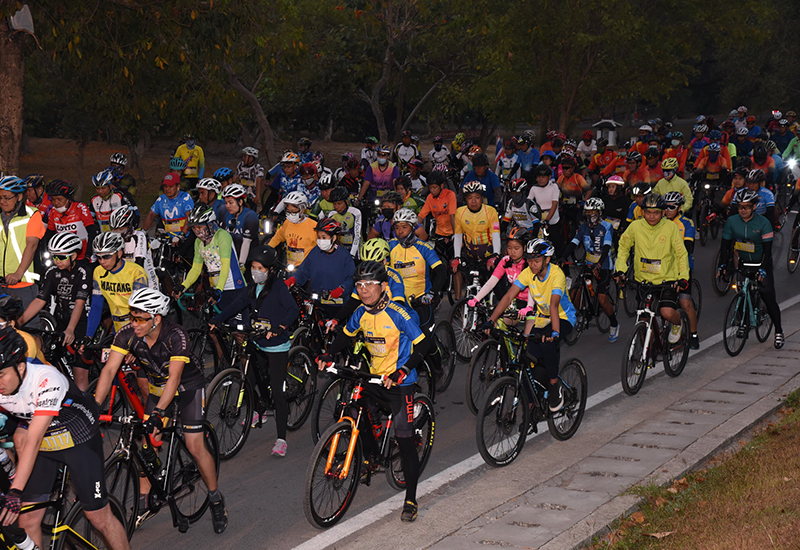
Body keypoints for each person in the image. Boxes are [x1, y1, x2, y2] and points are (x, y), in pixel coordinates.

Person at [92, 288, 228, 533]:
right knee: (146, 445)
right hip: (157, 389)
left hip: (188, 388)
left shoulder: (176, 335)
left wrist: (159, 413)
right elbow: (110, 370)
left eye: (140, 319)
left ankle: (215, 498)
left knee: (195, 446)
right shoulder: (127, 334)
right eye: (132, 317)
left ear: (156, 318)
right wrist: (94, 405)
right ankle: (145, 501)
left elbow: (174, 378)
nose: (134, 324)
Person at [317, 260, 430, 523]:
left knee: (404, 439)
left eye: (369, 284)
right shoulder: (360, 313)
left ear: (384, 286)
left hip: (399, 383)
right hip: (374, 377)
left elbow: (424, 345)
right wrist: (328, 353)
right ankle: (369, 456)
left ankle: (411, 499)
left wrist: (403, 371)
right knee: (355, 409)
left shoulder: (398, 314)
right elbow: (346, 335)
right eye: (359, 285)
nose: (364, 290)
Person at [0, 327, 131, 550]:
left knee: (98, 516)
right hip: (45, 443)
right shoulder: (7, 383)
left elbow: (33, 440)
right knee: (28, 520)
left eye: (1, 375)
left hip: (78, 439)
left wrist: (15, 491)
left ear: (21, 367)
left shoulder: (46, 380)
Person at [212, 245, 299, 448]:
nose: (255, 271)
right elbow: (237, 304)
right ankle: (259, 411)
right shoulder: (252, 287)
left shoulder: (278, 287)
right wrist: (218, 319)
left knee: (277, 392)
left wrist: (280, 327)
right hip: (258, 341)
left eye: (260, 268)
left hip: (276, 346)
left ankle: (281, 439)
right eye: (253, 267)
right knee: (249, 380)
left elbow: (293, 309)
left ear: (270, 270)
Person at [486, 238, 576, 411]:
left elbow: (554, 305)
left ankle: (554, 385)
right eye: (529, 260)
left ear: (547, 260)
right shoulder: (528, 273)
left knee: (547, 344)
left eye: (536, 261)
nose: (532, 264)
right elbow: (508, 296)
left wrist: (555, 333)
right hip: (542, 318)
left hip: (562, 318)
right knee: (526, 358)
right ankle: (531, 405)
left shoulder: (557, 274)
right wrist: (491, 320)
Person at [615, 193, 690, 346]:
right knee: (644, 319)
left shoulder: (671, 227)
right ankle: (647, 352)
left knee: (666, 312)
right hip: (643, 280)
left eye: (656, 212)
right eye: (648, 212)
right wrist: (621, 270)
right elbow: (623, 247)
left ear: (663, 213)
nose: (651, 216)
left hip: (666, 280)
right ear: (642, 212)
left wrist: (683, 277)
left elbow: (681, 253)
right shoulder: (635, 226)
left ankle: (678, 323)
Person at [18, 233, 90, 387]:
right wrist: (19, 322)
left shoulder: (83, 271)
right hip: (61, 321)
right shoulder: (52, 272)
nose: (57, 260)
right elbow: (39, 300)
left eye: (61, 257)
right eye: (54, 256)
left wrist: (71, 329)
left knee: (79, 374)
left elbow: (80, 303)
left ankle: (86, 398)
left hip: (81, 323)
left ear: (74, 256)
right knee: (54, 365)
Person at [718, 189, 783, 348]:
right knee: (741, 292)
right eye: (740, 207)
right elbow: (725, 246)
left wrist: (763, 269)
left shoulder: (763, 223)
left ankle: (779, 331)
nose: (743, 210)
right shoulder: (732, 221)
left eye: (747, 207)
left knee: (767, 296)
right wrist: (723, 265)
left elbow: (767, 250)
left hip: (761, 263)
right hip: (743, 262)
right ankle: (744, 323)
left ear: (754, 207)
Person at [560, 198, 619, 342]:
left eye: (593, 212)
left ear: (600, 213)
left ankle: (614, 323)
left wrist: (599, 264)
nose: (590, 214)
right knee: (576, 291)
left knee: (602, 299)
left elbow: (606, 247)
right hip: (588, 263)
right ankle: (584, 311)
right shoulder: (583, 227)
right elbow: (574, 242)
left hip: (603, 264)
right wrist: (563, 257)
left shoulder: (607, 226)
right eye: (587, 212)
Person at [178, 204, 247, 313]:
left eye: (199, 227)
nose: (196, 231)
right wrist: (183, 286)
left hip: (233, 286)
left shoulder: (222, 236)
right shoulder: (198, 242)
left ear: (210, 224)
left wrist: (219, 289)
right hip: (215, 287)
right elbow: (196, 269)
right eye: (194, 228)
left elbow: (226, 265)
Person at [284, 218, 355, 318]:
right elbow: (303, 271)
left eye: (324, 237)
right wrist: (293, 279)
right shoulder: (315, 252)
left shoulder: (344, 256)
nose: (321, 240)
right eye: (318, 237)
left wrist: (341, 289)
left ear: (334, 238)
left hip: (338, 305)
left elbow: (351, 278)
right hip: (318, 303)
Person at [86, 232, 150, 339]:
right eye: (98, 257)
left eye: (106, 256)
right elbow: (96, 306)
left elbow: (139, 309)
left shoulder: (136, 272)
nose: (102, 261)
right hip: (117, 326)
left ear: (119, 254)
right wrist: (89, 336)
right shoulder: (98, 271)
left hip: (137, 325)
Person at [388, 208, 445, 329]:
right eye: (397, 227)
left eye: (404, 227)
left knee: (426, 336)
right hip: (399, 300)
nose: (400, 231)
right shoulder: (391, 245)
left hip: (421, 300)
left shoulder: (424, 248)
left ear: (412, 227)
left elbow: (441, 272)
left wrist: (431, 294)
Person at [467, 226, 533, 327]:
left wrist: (529, 306)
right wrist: (477, 298)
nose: (512, 252)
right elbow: (492, 281)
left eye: (516, 248)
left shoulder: (530, 264)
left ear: (524, 248)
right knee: (497, 323)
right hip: (513, 301)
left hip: (530, 302)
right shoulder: (505, 261)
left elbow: (534, 288)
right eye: (509, 248)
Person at [0, 176, 47, 314]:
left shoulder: (32, 215)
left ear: (19, 197)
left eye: (6, 198)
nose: (2, 201)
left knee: (26, 324)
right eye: (0, 197)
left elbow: (31, 246)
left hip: (22, 282)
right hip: (1, 281)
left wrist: (18, 273)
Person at [452, 182, 502, 300]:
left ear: (482, 198)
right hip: (471, 256)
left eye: (477, 197)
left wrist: (495, 255)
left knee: (498, 289)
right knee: (472, 290)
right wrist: (457, 257)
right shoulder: (460, 212)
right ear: (465, 199)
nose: (473, 201)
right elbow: (458, 236)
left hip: (489, 255)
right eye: (470, 198)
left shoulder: (490, 211)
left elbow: (496, 234)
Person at [663, 192, 700, 349]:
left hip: (682, 267)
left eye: (672, 207)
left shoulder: (687, 223)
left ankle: (693, 335)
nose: (668, 210)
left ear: (679, 208)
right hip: (664, 268)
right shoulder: (661, 221)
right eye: (666, 207)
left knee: (685, 303)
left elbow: (687, 247)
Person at [46, 179, 96, 262]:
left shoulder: (81, 208)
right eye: (53, 200)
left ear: (68, 198)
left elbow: (92, 232)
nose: (56, 203)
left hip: (82, 256)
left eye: (59, 199)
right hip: (64, 257)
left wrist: (87, 256)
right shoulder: (53, 212)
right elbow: (49, 234)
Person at [108, 206, 158, 289]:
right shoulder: (112, 238)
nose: (118, 233)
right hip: (123, 280)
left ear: (129, 226)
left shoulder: (139, 236)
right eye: (115, 230)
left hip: (146, 280)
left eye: (121, 229)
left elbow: (139, 264)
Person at [267, 191, 318, 267]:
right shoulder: (287, 223)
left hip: (307, 268)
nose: (291, 215)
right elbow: (278, 237)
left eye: (293, 212)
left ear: (302, 210)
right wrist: (267, 248)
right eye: (288, 211)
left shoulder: (313, 226)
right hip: (289, 267)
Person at [142, 173, 194, 240]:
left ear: (178, 186)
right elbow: (151, 215)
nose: (167, 189)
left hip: (185, 237)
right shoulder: (161, 199)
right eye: (165, 186)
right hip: (168, 237)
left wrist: (182, 235)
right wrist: (143, 231)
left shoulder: (185, 197)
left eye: (170, 186)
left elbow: (189, 217)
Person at [219, 184, 259, 268]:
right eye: (226, 203)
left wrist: (241, 264)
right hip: (229, 257)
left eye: (231, 202)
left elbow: (246, 242)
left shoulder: (250, 216)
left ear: (240, 202)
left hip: (247, 258)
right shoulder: (224, 213)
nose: (227, 206)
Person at [527, 165, 564, 251]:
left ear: (549, 177)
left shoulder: (554, 187)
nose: (540, 179)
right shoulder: (534, 188)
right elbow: (528, 203)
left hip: (552, 218)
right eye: (539, 177)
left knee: (556, 243)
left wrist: (547, 220)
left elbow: (554, 204)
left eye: (543, 177)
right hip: (539, 218)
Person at [89, 169, 128, 233]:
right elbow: (89, 220)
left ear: (110, 186)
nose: (100, 191)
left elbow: (131, 214)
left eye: (103, 188)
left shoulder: (119, 196)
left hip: (120, 234)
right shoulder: (94, 200)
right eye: (98, 189)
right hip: (103, 234)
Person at [328, 186, 362, 257]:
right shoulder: (331, 215)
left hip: (354, 250)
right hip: (339, 250)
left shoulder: (355, 212)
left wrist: (352, 254)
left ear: (347, 201)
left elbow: (357, 236)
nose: (336, 207)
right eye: (334, 204)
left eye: (339, 203)